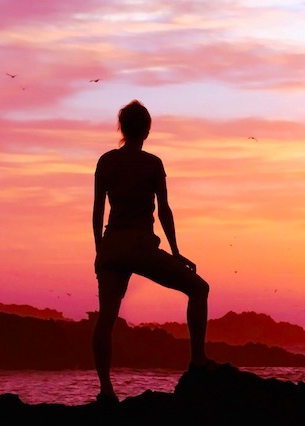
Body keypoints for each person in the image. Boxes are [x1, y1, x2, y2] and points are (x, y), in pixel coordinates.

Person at [92, 100, 217, 404]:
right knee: (199, 289)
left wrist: (99, 252)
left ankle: (106, 390)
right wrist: (175, 251)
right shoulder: (152, 163)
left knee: (106, 319)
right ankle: (198, 359)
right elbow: (164, 212)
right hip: (139, 246)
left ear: (121, 128)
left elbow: (97, 213)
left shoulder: (106, 161)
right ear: (147, 130)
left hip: (112, 247)